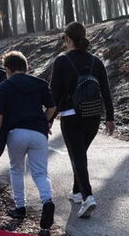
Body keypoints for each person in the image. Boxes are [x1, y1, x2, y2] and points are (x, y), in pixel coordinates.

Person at [49, 21, 114, 220]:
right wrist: (109, 117)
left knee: (77, 156)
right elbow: (106, 90)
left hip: (71, 116)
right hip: (93, 115)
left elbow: (55, 94)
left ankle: (87, 196)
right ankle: (77, 192)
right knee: (80, 154)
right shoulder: (96, 61)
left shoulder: (62, 61)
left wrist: (48, 119)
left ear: (68, 39)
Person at [0, 51, 57, 229]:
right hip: (38, 133)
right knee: (40, 173)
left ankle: (20, 207)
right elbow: (52, 107)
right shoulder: (40, 84)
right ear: (26, 68)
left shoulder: (4, 87)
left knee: (17, 169)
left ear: (7, 69)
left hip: (16, 133)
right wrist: (45, 121)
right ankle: (47, 200)